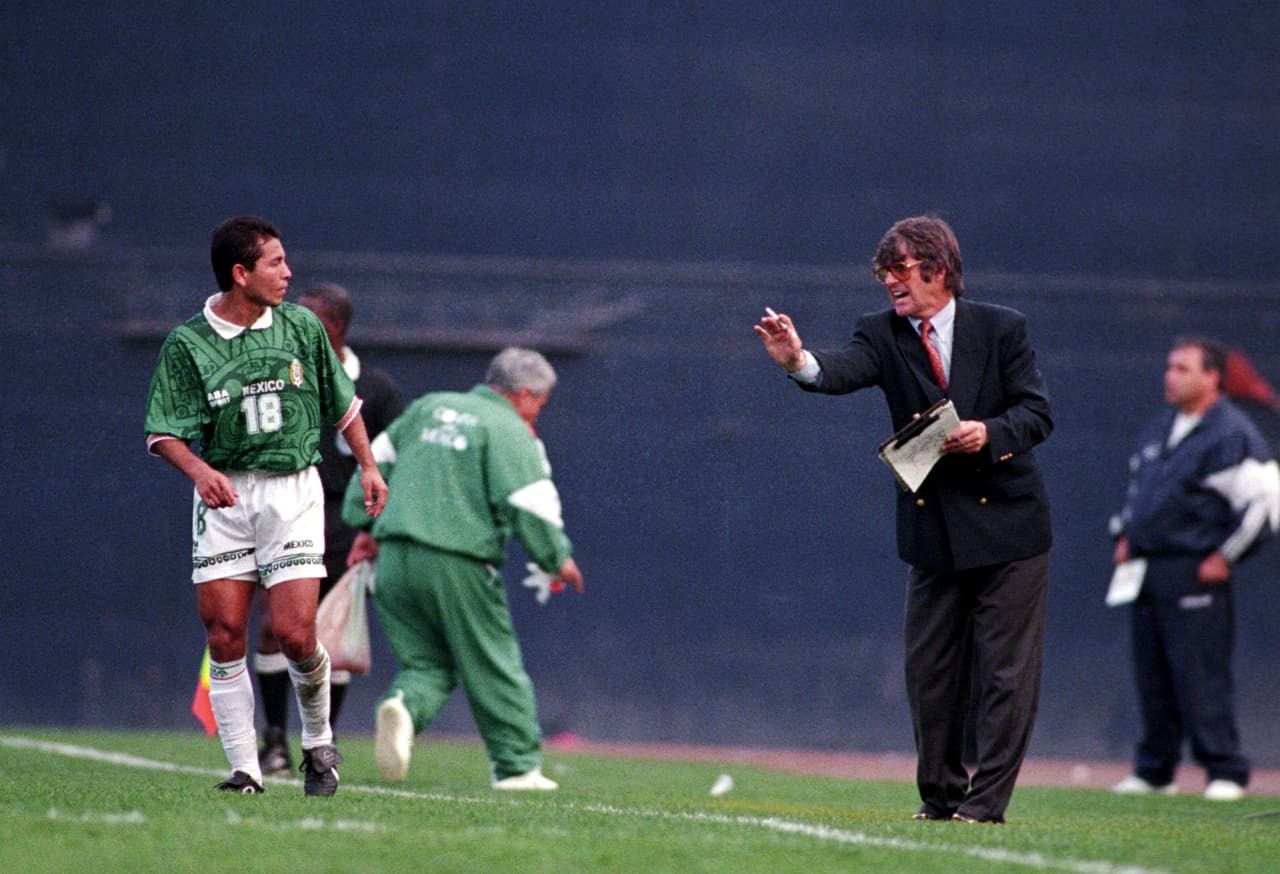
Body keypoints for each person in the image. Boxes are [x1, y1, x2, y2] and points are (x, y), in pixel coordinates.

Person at [754, 215, 1053, 824]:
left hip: (1010, 531)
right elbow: (839, 370)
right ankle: (940, 798)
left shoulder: (1001, 330)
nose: (890, 282)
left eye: (901, 270)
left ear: (937, 271)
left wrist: (989, 432)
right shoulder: (882, 334)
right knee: (930, 674)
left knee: (1004, 674)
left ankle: (985, 805)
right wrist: (797, 361)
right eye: (883, 272)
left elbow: (1037, 413)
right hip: (934, 530)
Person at [144, 216, 388, 795]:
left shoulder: (302, 326)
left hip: (292, 490)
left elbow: (344, 406)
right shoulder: (188, 343)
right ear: (239, 273)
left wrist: (370, 466)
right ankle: (244, 770)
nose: (288, 272)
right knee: (225, 632)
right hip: (225, 492)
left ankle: (317, 744)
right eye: (275, 262)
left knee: (295, 634)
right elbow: (161, 433)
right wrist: (201, 470)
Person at [341, 347, 583, 790]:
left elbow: (374, 463)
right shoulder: (507, 427)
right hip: (459, 561)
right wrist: (557, 558)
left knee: (427, 662)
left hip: (393, 558)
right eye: (539, 405)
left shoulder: (427, 407)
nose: (537, 416)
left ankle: (402, 705)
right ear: (525, 394)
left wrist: (363, 521)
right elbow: (530, 499)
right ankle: (516, 768)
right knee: (493, 662)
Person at [1109, 336, 1279, 802]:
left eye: (1183, 368)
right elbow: (1139, 494)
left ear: (1212, 377)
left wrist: (1225, 556)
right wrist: (1125, 534)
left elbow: (1266, 502)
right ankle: (1154, 769)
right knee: (1153, 671)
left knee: (1200, 673)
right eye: (1169, 366)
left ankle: (1225, 769)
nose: (1171, 375)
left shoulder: (1230, 433)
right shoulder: (1159, 427)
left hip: (1194, 568)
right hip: (1148, 568)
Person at [255, 283, 405, 777]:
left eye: (309, 319)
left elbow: (395, 466)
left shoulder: (377, 389)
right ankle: (273, 738)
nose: (294, 327)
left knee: (331, 630)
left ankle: (321, 742)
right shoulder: (280, 375)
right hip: (284, 507)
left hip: (343, 517)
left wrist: (378, 529)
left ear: (336, 326)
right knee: (277, 626)